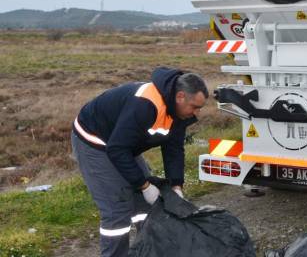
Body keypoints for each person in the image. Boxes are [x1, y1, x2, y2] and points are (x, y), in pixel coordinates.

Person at [70, 67, 208, 257]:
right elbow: (117, 149)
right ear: (181, 96)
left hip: (124, 144)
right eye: (195, 106)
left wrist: (176, 186)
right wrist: (144, 186)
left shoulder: (180, 113)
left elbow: (174, 149)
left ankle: (146, 251)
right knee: (117, 210)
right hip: (95, 140)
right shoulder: (145, 104)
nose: (196, 113)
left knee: (146, 206)